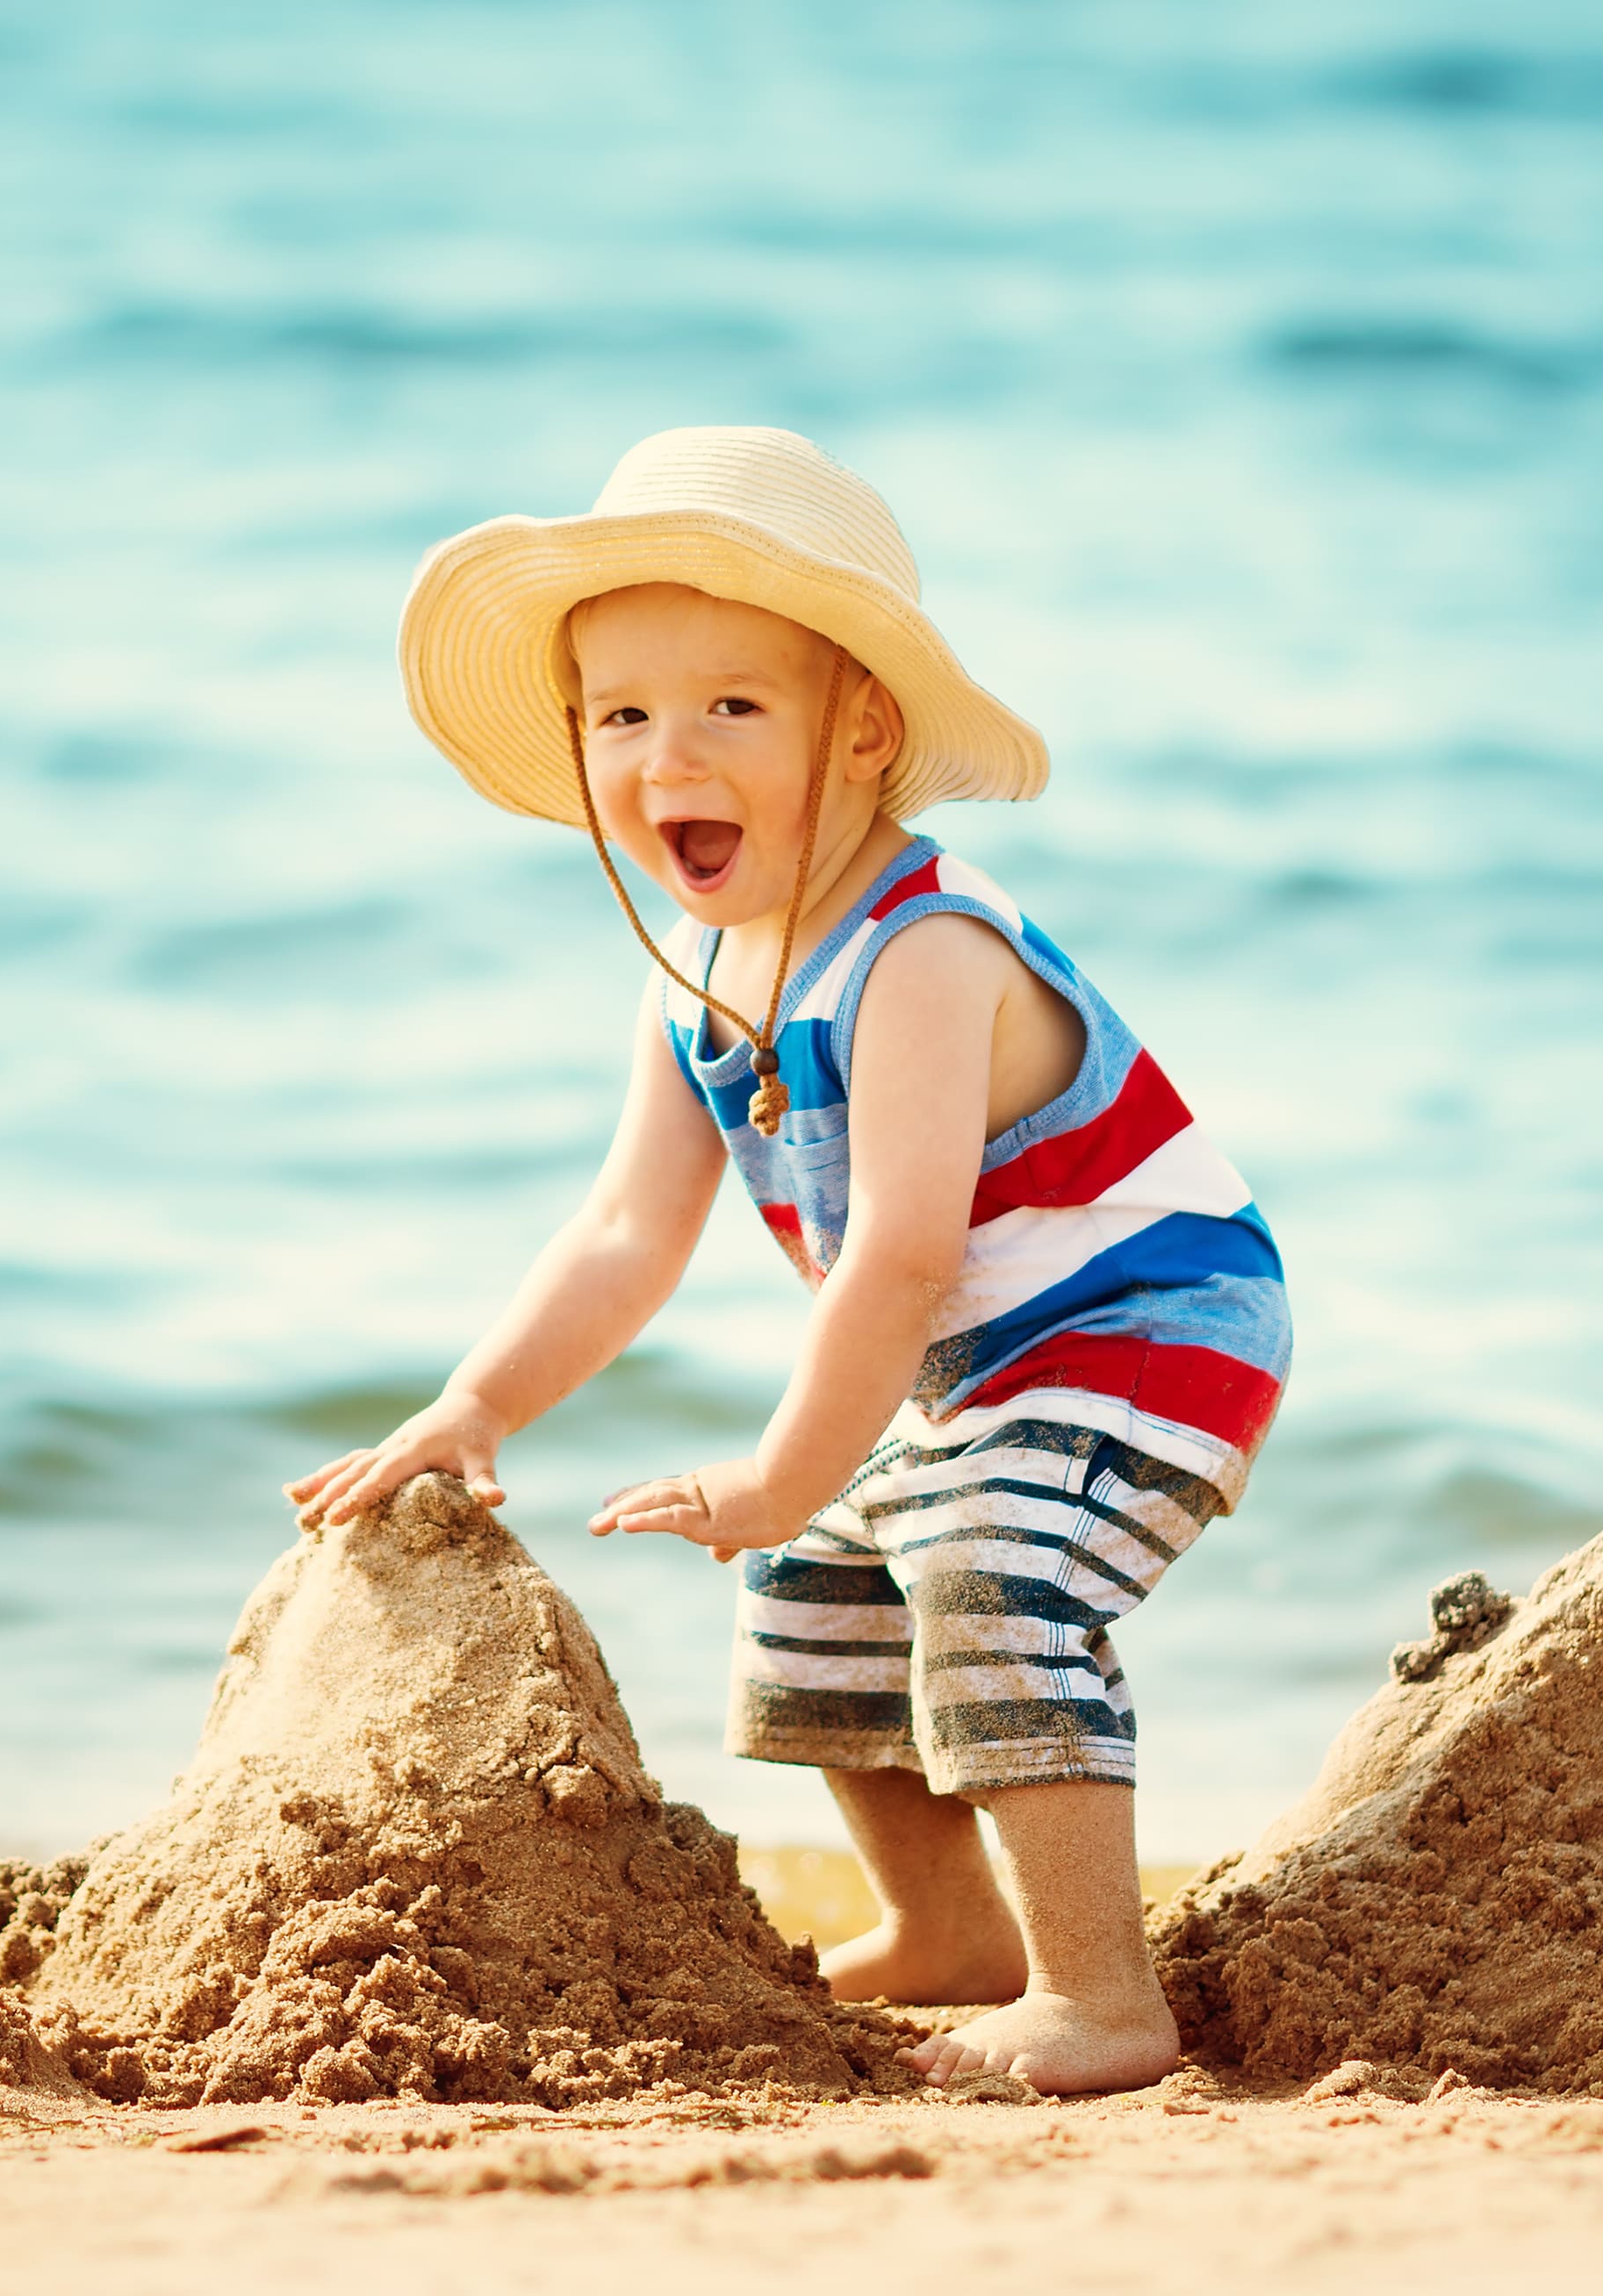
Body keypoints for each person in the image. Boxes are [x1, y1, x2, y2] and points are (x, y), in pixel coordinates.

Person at [284, 427, 1290, 2095]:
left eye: (732, 707)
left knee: (989, 1560)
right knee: (816, 1578)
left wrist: (772, 1462)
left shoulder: (925, 947)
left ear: (865, 727)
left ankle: (1104, 1997)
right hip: (988, 1355)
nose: (670, 751)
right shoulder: (695, 974)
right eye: (624, 715)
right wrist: (478, 1406)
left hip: (1150, 1321)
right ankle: (951, 1928)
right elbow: (625, 1232)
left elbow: (896, 1256)